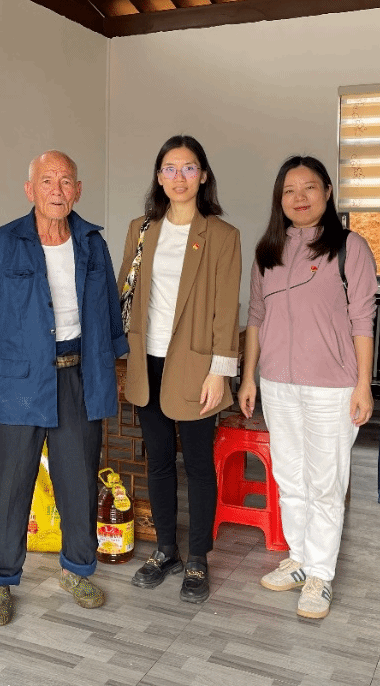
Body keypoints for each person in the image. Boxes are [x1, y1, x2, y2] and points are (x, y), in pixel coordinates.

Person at [0, 150, 126, 626]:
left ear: (78, 190)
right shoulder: (2, 243)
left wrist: (115, 366)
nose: (57, 190)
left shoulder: (92, 243)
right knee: (8, 482)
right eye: (47, 180)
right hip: (19, 377)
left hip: (79, 372)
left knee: (78, 476)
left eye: (66, 181)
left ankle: (78, 569)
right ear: (30, 189)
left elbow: (110, 310)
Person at [237, 155, 377, 620]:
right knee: (288, 477)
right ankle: (298, 558)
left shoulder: (350, 248)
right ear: (279, 199)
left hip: (331, 387)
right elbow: (256, 317)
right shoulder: (268, 252)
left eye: (309, 187)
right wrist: (249, 376)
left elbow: (363, 320)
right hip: (277, 383)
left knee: (326, 482)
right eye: (289, 190)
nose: (300, 198)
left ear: (328, 192)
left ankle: (320, 573)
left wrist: (363, 384)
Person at [117, 135, 241, 604]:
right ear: (159, 176)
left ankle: (197, 558)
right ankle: (165, 549)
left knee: (199, 465)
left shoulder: (222, 235)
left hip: (196, 364)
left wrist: (219, 371)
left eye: (188, 168)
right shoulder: (141, 229)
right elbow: (126, 291)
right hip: (146, 359)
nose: (179, 177)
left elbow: (226, 310)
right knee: (159, 460)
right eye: (169, 168)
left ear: (203, 176)